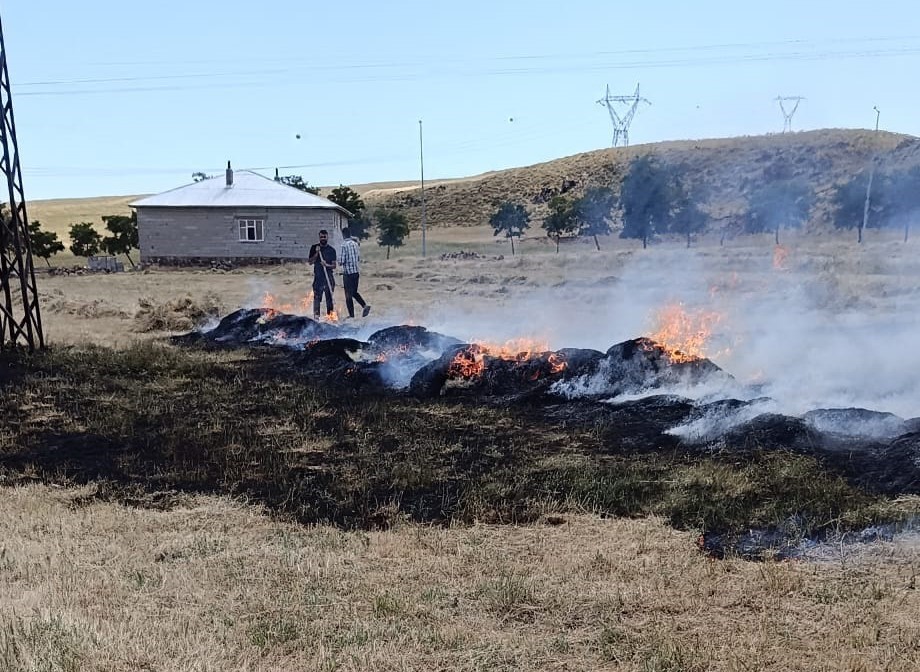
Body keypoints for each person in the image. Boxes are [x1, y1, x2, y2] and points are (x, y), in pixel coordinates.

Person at [339, 227, 371, 318]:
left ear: (343, 235)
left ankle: (351, 315)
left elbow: (341, 261)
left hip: (348, 273)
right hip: (356, 272)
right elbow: (358, 258)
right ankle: (364, 306)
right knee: (354, 292)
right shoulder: (355, 244)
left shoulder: (343, 245)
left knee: (348, 295)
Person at [308, 229, 337, 319]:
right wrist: (317, 253)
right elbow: (310, 262)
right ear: (319, 237)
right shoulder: (314, 247)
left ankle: (330, 318)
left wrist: (326, 265)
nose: (323, 238)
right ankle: (316, 318)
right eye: (321, 237)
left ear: (327, 237)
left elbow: (334, 266)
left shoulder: (331, 250)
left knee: (329, 299)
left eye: (324, 237)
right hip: (318, 278)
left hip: (328, 278)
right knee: (317, 298)